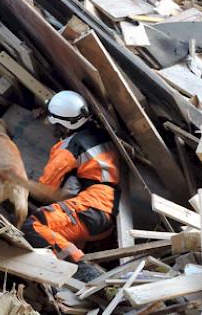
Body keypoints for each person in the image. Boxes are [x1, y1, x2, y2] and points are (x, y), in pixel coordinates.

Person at [21, 91, 121, 282]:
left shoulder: (69, 148)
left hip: (90, 211)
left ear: (62, 124)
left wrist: (20, 182)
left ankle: (85, 273)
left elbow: (46, 188)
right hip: (107, 214)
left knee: (34, 225)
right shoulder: (101, 134)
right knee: (56, 231)